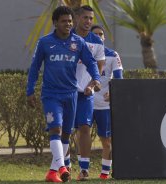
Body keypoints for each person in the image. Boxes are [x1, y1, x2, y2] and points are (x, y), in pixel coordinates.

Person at [26, 6, 100, 183]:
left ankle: (52, 173)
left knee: (66, 134)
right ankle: (61, 168)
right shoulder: (45, 42)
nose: (68, 24)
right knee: (56, 129)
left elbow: (91, 62)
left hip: (71, 94)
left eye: (70, 21)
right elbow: (35, 68)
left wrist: (96, 78)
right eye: (64, 21)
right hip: (51, 95)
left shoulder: (78, 42)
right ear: (55, 23)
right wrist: (30, 90)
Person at [68, 5, 105, 181]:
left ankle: (84, 169)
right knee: (64, 130)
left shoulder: (97, 42)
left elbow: (99, 68)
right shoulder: (66, 37)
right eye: (85, 18)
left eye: (91, 18)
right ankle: (64, 167)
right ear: (77, 18)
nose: (88, 21)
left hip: (85, 93)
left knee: (84, 128)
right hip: (65, 91)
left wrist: (91, 85)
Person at [91, 24, 123, 179]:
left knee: (106, 141)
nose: (98, 36)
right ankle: (80, 170)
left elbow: (119, 79)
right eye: (95, 34)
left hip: (104, 106)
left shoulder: (112, 55)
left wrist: (113, 92)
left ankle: (104, 173)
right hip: (86, 103)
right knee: (79, 136)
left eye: (101, 34)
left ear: (104, 37)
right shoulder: (83, 54)